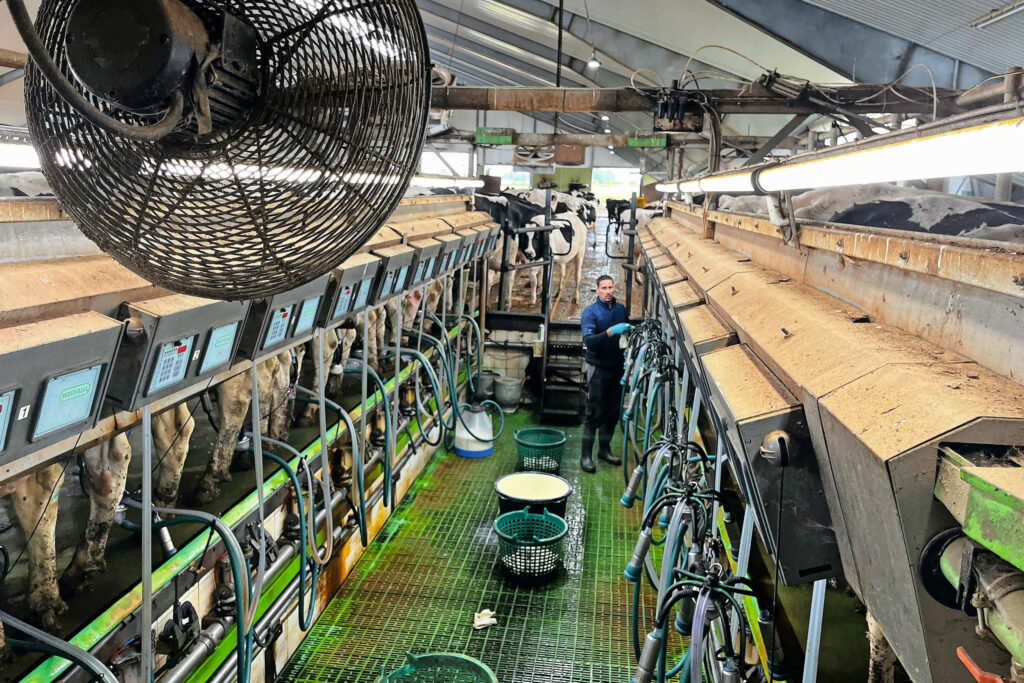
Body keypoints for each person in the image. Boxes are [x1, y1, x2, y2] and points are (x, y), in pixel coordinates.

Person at [579, 274, 631, 473]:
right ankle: (585, 457)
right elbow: (589, 341)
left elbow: (625, 334)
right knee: (594, 413)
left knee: (612, 414)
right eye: (604, 288)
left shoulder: (620, 310)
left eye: (611, 287)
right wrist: (610, 332)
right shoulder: (590, 313)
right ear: (597, 290)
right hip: (597, 369)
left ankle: (604, 450)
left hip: (617, 367)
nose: (608, 291)